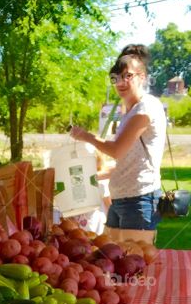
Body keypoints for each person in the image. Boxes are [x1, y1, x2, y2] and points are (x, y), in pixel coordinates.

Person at [69, 44, 166, 241]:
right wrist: (94, 176)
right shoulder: (128, 111)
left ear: (142, 77)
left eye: (127, 76)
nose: (120, 82)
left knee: (134, 264)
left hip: (140, 199)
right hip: (120, 198)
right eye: (116, 77)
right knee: (110, 258)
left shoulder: (146, 108)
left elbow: (116, 151)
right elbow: (128, 160)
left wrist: (85, 136)